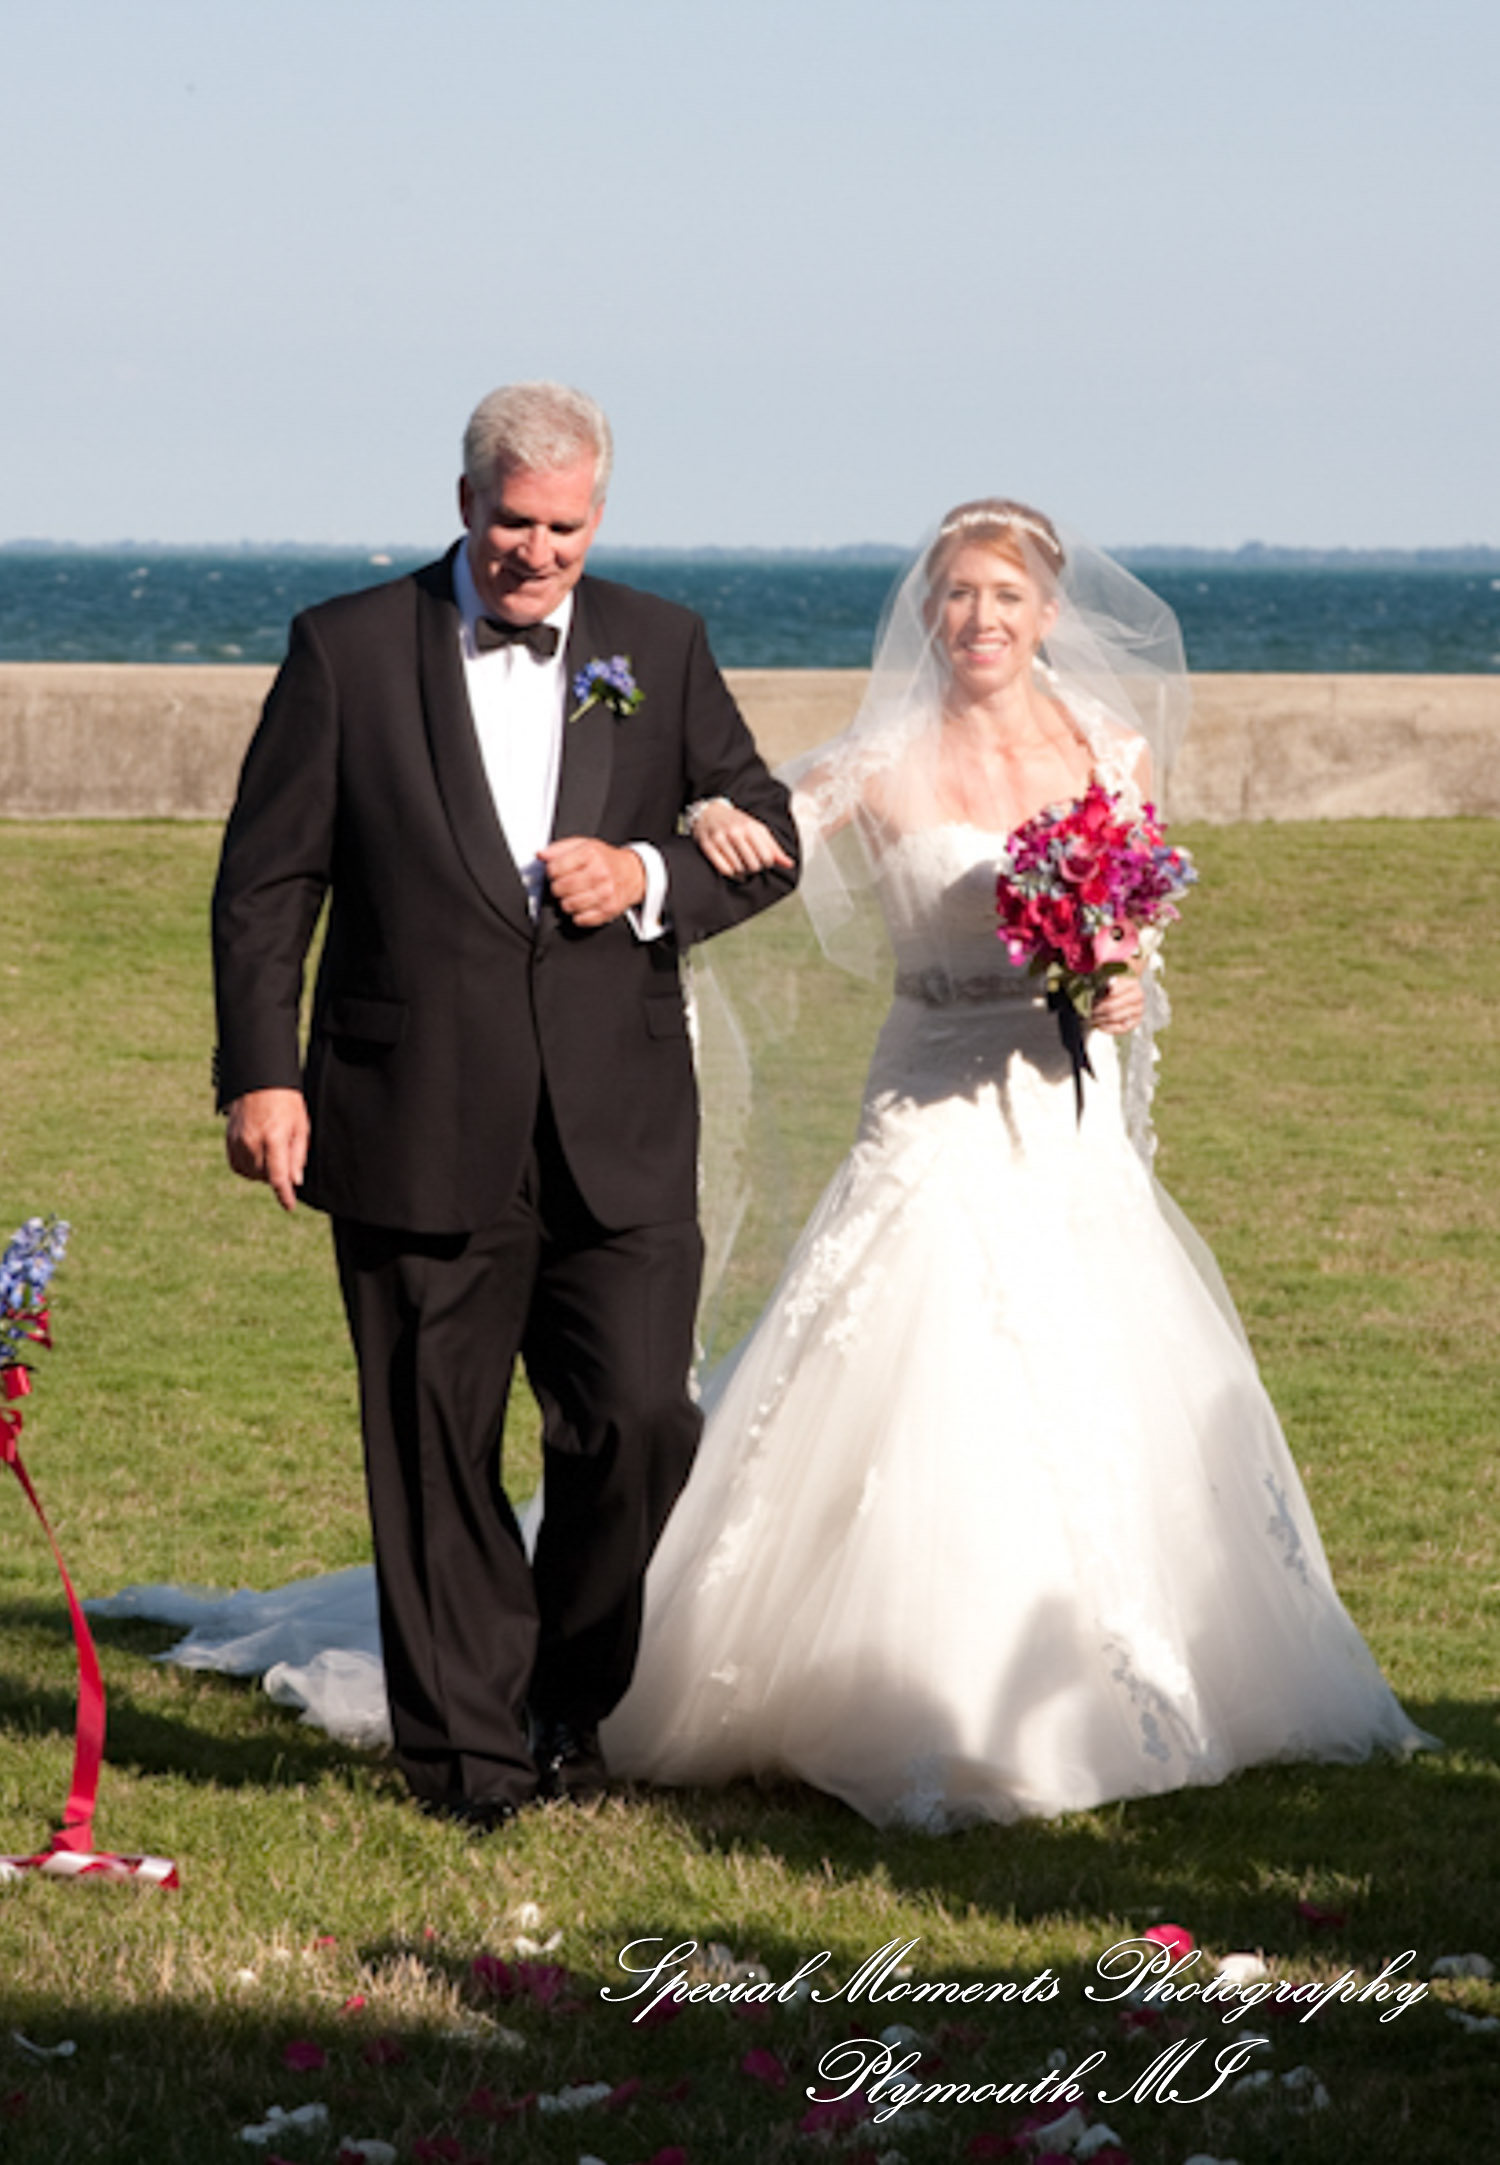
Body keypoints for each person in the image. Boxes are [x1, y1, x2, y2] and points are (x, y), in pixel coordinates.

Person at [594, 497, 1433, 1828]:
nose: (977, 622)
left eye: (1003, 598)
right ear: (929, 611)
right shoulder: (879, 759)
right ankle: (883, 1675)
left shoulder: (1108, 745)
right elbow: (761, 839)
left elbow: (1138, 919)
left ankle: (1130, 1676)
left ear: (1048, 614)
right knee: (913, 1347)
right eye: (955, 596)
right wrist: (681, 831)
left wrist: (1118, 985)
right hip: (925, 1091)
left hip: (1060, 1111)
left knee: (1092, 1363)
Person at [210, 381, 799, 1829]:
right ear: (463, 502)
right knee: (433, 1445)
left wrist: (652, 874)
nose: (540, 553)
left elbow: (762, 830)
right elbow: (269, 882)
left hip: (621, 1127)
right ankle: (471, 1758)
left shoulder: (661, 645)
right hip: (409, 1109)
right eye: (516, 523)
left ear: (601, 516)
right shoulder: (343, 650)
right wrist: (263, 1072)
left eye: (568, 528)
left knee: (641, 1425)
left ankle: (564, 1692)